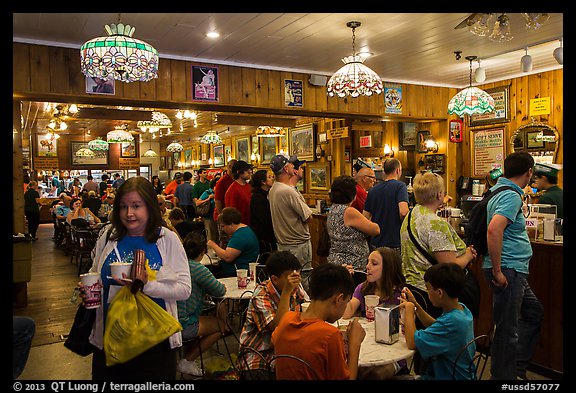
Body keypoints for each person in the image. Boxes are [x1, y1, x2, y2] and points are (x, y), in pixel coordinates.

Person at [85, 176, 191, 380]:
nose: (129, 213)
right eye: (123, 206)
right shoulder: (109, 235)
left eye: (136, 206)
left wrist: (146, 286)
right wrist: (88, 290)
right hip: (110, 338)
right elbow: (94, 273)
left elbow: (184, 289)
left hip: (155, 342)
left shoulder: (166, 239)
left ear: (150, 207)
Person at [484, 152, 543, 380]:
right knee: (507, 330)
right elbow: (494, 229)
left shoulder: (498, 190)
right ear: (529, 172)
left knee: (533, 312)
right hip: (508, 268)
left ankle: (514, 371)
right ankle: (503, 377)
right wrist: (497, 270)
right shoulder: (511, 196)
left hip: (511, 267)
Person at [400, 172, 476, 320]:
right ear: (439, 194)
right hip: (434, 292)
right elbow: (449, 266)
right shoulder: (436, 223)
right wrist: (467, 255)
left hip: (413, 287)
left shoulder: (410, 216)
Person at [271, 263, 366, 380]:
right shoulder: (329, 335)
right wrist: (355, 344)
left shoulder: (286, 319)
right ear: (339, 299)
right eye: (347, 301)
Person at [400, 263, 476, 380]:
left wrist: (409, 310)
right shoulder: (462, 310)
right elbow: (437, 325)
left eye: (428, 288)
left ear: (439, 293)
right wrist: (416, 305)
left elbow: (412, 343)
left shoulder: (451, 322)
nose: (427, 292)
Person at [238, 250, 306, 379]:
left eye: (297, 275)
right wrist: (287, 292)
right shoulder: (261, 294)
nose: (295, 281)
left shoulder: (295, 287)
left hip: (285, 348)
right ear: (274, 279)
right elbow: (277, 329)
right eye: (291, 277)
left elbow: (306, 311)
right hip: (259, 353)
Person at [342, 246, 407, 379]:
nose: (367, 266)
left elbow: (406, 327)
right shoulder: (363, 288)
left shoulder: (400, 293)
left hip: (393, 351)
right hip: (369, 346)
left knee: (374, 375)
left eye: (374, 263)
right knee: (354, 370)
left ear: (388, 268)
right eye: (368, 262)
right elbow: (346, 313)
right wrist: (345, 282)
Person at [176, 231, 227, 377]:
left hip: (169, 320)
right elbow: (219, 291)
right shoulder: (198, 269)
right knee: (221, 326)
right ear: (203, 252)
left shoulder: (177, 264)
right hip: (183, 324)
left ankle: (187, 358)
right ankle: (188, 360)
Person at [327, 175, 380, 272]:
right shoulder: (349, 212)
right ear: (353, 195)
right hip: (352, 266)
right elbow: (375, 230)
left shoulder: (333, 208)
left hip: (336, 261)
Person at [268, 153, 313, 268]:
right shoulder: (288, 191)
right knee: (302, 279)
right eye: (291, 164)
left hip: (283, 245)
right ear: (286, 168)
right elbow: (309, 218)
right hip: (297, 246)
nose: (293, 166)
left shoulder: (273, 189)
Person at [363, 158, 409, 254]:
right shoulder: (400, 186)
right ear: (398, 170)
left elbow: (365, 217)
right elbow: (403, 212)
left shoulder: (373, 190)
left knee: (378, 268)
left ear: (384, 171)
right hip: (394, 241)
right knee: (393, 268)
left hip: (376, 241)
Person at [207, 207, 259, 278]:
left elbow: (227, 257)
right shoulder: (245, 230)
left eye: (223, 226)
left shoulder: (240, 236)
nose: (222, 229)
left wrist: (213, 244)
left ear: (231, 224)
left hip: (237, 274)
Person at [249, 169, 277, 253]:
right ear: (263, 182)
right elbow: (265, 219)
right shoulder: (257, 197)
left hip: (270, 234)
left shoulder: (269, 194)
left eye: (272, 176)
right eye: (269, 177)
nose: (272, 179)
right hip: (263, 236)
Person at [213, 160, 236, 247]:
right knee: (225, 240)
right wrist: (221, 216)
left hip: (231, 216)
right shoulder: (222, 181)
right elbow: (217, 200)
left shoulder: (234, 180)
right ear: (229, 168)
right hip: (223, 215)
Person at [224, 160, 253, 225]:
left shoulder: (249, 186)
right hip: (240, 226)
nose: (250, 172)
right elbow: (231, 214)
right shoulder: (232, 190)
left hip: (250, 225)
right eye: (246, 170)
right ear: (238, 172)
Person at [198, 177, 217, 243]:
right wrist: (208, 199)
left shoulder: (219, 193)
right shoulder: (207, 192)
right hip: (209, 218)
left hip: (217, 218)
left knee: (216, 236)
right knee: (210, 236)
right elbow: (198, 203)